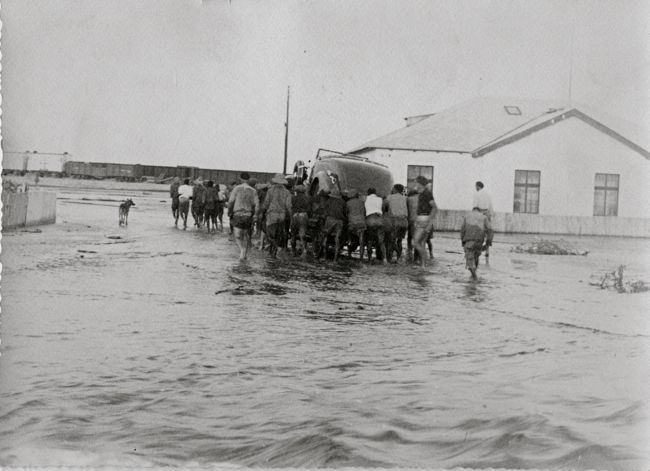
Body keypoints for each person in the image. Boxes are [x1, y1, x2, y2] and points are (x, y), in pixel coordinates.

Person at [228, 172, 259, 261]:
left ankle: (242, 250)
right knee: (245, 235)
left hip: (237, 214)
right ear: (249, 179)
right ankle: (244, 254)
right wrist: (255, 215)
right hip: (248, 215)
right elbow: (257, 204)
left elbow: (231, 202)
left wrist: (229, 212)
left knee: (237, 236)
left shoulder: (236, 189)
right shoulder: (253, 191)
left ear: (240, 179)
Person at [261, 174, 292, 258]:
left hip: (272, 215)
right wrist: (290, 216)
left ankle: (277, 249)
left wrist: (262, 212)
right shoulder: (287, 192)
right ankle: (276, 250)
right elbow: (288, 205)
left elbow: (266, 203)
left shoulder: (270, 190)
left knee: (269, 234)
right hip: (282, 215)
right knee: (279, 234)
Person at [461, 207, 493, 280]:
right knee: (476, 257)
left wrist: (462, 242)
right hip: (479, 242)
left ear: (472, 211)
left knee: (469, 261)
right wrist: (488, 242)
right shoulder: (484, 217)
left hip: (468, 242)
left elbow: (462, 230)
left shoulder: (467, 217)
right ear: (479, 211)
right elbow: (490, 230)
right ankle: (473, 274)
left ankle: (475, 278)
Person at [411, 176, 437, 266]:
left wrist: (430, 222)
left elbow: (435, 208)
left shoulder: (427, 193)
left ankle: (425, 263)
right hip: (422, 219)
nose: (414, 184)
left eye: (415, 182)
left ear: (420, 184)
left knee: (416, 242)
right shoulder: (423, 193)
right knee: (421, 243)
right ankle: (423, 265)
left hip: (424, 219)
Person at [384, 183, 409, 262]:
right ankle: (398, 258)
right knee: (399, 241)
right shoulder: (405, 198)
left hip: (395, 221)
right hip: (404, 222)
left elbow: (384, 206)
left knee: (391, 240)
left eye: (393, 188)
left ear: (395, 189)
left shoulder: (390, 197)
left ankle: (390, 258)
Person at [320, 189, 347, 262]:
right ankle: (335, 260)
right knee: (337, 240)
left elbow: (325, 212)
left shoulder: (329, 201)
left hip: (330, 220)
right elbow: (345, 213)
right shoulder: (343, 202)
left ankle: (324, 257)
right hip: (339, 222)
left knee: (325, 237)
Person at [364, 187, 387, 265]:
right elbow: (383, 209)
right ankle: (385, 259)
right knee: (381, 242)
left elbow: (363, 209)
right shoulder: (380, 199)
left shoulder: (365, 199)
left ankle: (370, 259)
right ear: (375, 192)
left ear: (368, 193)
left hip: (370, 219)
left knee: (369, 240)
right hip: (379, 220)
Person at [472, 181, 493, 261]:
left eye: (475, 186)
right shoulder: (488, 194)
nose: (475, 188)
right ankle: (487, 251)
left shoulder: (476, 194)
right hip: (487, 213)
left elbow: (475, 206)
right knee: (488, 233)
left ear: (478, 186)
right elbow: (491, 205)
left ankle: (478, 250)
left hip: (480, 213)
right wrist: (490, 215)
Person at [345, 188, 366, 260]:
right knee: (361, 242)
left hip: (352, 223)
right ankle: (361, 259)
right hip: (361, 223)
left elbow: (346, 213)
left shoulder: (348, 203)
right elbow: (364, 212)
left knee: (349, 237)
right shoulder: (362, 202)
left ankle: (349, 254)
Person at [290, 185, 311, 258]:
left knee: (293, 234)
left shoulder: (293, 198)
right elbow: (309, 209)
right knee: (302, 235)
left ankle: (293, 251)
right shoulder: (308, 198)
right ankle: (304, 251)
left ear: (297, 191)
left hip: (295, 216)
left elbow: (291, 207)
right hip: (303, 216)